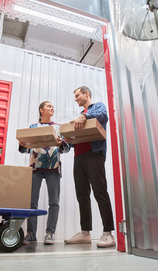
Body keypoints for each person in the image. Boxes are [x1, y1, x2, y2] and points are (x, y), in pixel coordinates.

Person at [64, 86, 116, 248]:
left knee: (100, 192)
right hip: (78, 156)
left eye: (78, 95)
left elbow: (103, 117)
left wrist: (84, 116)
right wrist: (69, 141)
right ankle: (85, 233)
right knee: (82, 195)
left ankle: (108, 233)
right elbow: (80, 137)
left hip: (94, 155)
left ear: (87, 94)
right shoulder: (80, 116)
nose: (76, 99)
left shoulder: (97, 106)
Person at [18, 101, 70, 245]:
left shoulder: (58, 128)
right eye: (49, 106)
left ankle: (50, 234)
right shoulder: (33, 127)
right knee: (32, 202)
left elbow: (66, 149)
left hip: (53, 168)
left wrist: (62, 144)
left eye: (53, 106)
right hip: (36, 167)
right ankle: (31, 234)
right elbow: (25, 149)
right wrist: (22, 145)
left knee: (54, 202)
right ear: (41, 110)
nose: (52, 108)